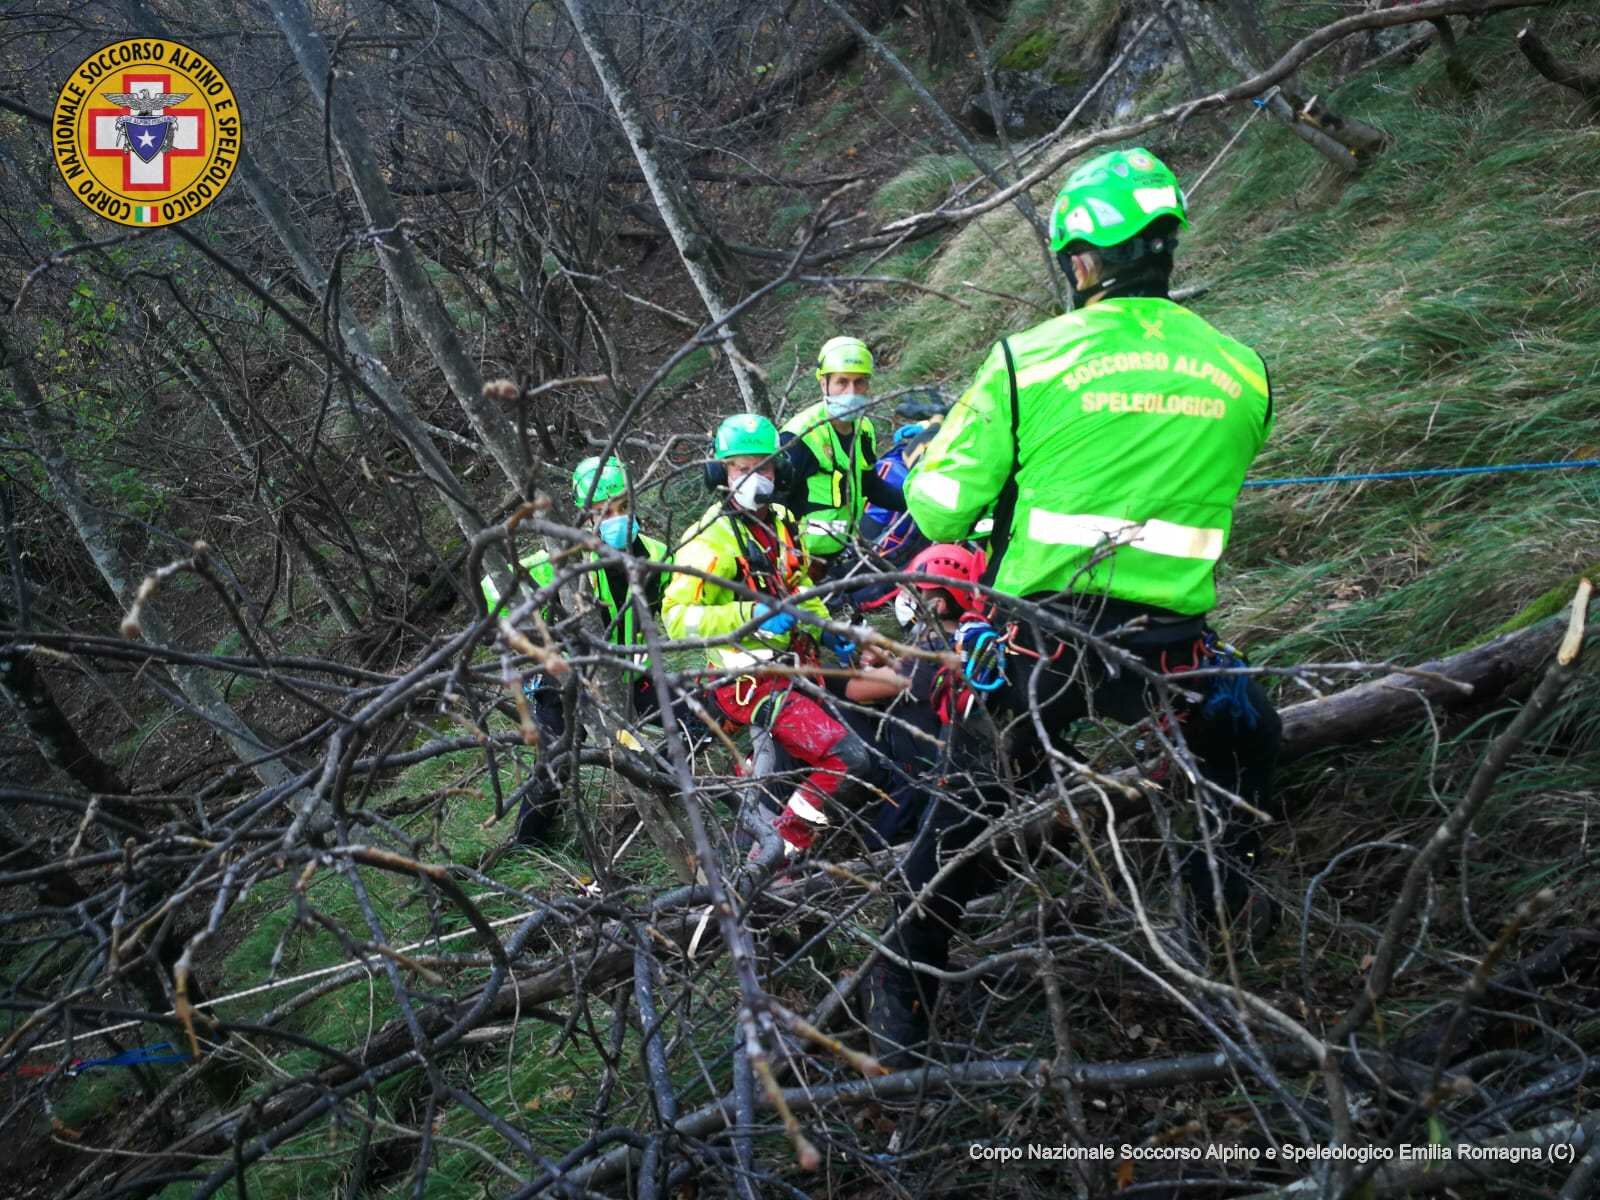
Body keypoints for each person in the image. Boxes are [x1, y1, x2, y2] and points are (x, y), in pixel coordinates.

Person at [871, 147, 1283, 1064]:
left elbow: (939, 506)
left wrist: (942, 460)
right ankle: (1219, 937)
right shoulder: (1242, 369)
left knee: (959, 826)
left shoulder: (1029, 360)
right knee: (1250, 748)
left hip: (1040, 650)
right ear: (1168, 246)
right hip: (1176, 649)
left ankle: (901, 991)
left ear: (1083, 260)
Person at [663, 413, 884, 861]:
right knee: (847, 758)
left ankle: (755, 840)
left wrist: (826, 631)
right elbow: (676, 617)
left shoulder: (781, 520)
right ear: (720, 472)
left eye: (762, 466)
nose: (753, 477)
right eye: (740, 468)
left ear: (778, 468)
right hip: (749, 680)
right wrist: (752, 614)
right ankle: (780, 849)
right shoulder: (710, 540)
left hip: (796, 665)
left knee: (782, 770)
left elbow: (798, 585)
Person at [479, 455, 670, 844]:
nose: (614, 518)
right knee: (555, 764)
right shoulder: (560, 560)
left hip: (630, 673)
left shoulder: (657, 554)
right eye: (602, 512)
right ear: (583, 515)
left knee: (687, 721)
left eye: (622, 507)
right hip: (562, 684)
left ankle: (666, 788)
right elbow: (494, 586)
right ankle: (528, 843)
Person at [839, 543, 987, 849]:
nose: (907, 596)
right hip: (929, 763)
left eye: (916, 591)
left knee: (879, 846)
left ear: (939, 606)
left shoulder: (932, 653)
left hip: (917, 776)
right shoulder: (955, 640)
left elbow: (856, 689)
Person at [779, 337, 908, 566]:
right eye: (842, 382)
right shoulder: (799, 437)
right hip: (802, 560)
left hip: (844, 550)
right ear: (823, 384)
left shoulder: (864, 428)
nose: (851, 392)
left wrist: (914, 501)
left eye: (859, 382)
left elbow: (870, 486)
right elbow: (773, 505)